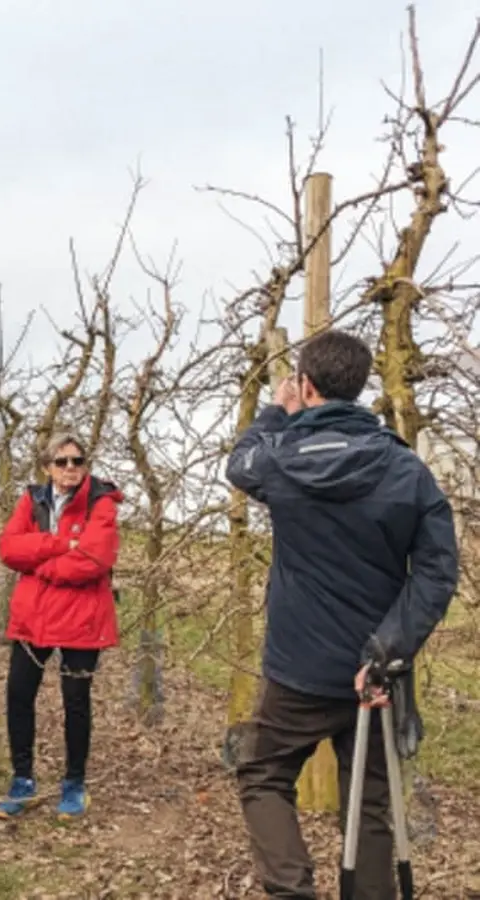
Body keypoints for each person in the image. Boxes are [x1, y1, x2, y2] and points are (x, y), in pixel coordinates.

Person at [226, 329, 458, 900]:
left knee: (262, 773)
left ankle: (291, 889)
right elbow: (436, 571)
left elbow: (240, 462)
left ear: (305, 385)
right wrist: (386, 649)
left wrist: (273, 414)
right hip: (376, 674)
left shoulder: (279, 463)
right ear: (361, 388)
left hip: (296, 673)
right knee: (372, 804)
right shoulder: (407, 472)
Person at [0, 431, 121, 820]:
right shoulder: (31, 500)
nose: (70, 468)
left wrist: (41, 562)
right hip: (34, 617)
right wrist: (59, 545)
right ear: (47, 466)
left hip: (82, 619)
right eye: (62, 461)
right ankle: (22, 780)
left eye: (77, 461)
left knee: (76, 701)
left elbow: (94, 559)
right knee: (18, 694)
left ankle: (74, 782)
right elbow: (8, 548)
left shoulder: (101, 502)